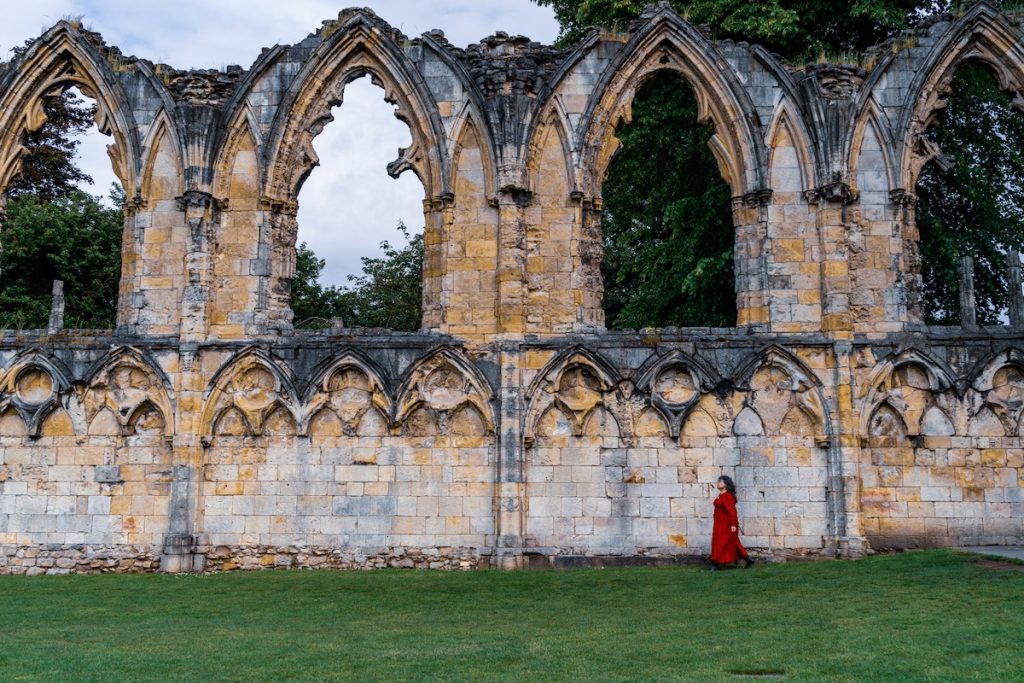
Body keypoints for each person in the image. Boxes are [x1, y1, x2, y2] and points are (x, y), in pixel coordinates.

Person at [709, 475, 753, 570]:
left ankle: (714, 564)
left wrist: (733, 524)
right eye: (718, 481)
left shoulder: (727, 496)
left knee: (720, 543)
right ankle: (747, 559)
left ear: (726, 484)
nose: (718, 483)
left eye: (720, 481)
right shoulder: (721, 495)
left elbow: (732, 512)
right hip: (719, 523)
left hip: (726, 524)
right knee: (732, 542)